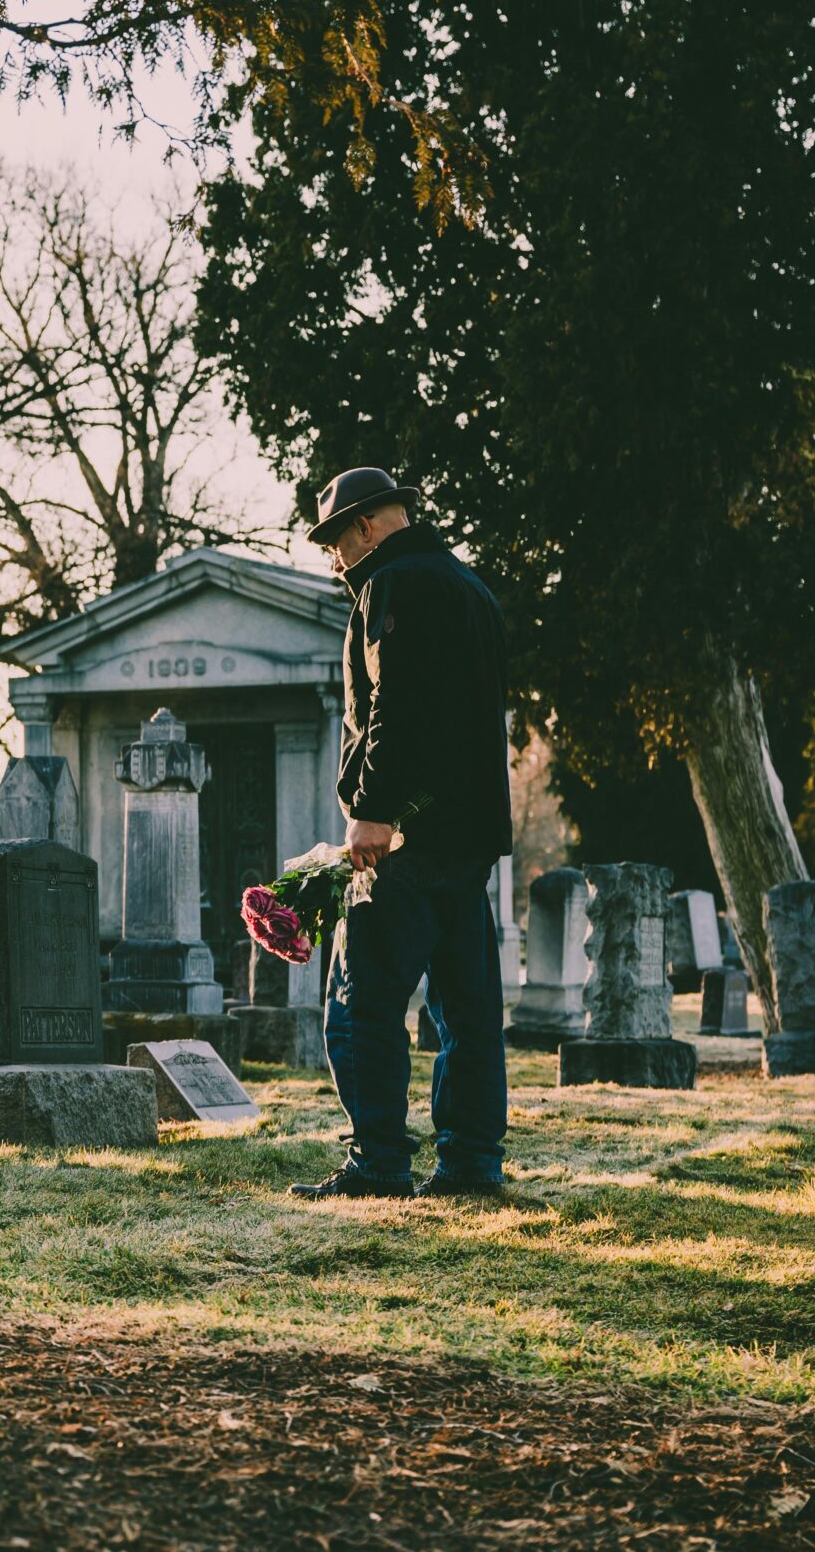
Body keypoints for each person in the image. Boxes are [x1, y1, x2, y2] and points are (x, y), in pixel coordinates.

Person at [288, 467, 513, 1201]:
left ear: (365, 526)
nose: (333, 560)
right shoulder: (471, 589)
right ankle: (471, 1162)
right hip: (469, 835)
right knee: (466, 1008)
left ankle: (380, 1159)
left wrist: (373, 809)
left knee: (361, 1002)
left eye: (333, 541)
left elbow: (396, 705)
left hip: (406, 834)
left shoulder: (394, 585)